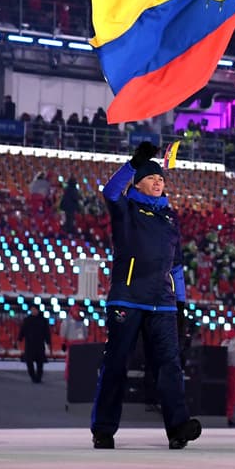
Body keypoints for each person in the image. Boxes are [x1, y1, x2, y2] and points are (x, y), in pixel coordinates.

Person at [90, 142, 200, 451]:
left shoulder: (169, 219)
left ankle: (178, 426)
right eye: (151, 178)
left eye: (161, 179)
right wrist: (133, 163)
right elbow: (110, 191)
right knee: (116, 364)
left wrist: (181, 304)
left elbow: (176, 266)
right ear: (138, 183)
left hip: (163, 303)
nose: (158, 183)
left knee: (170, 365)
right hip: (127, 298)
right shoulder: (125, 208)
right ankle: (104, 429)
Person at [19, 308, 52, 383]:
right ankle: (33, 376)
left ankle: (39, 377)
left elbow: (47, 332)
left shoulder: (43, 320)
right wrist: (20, 338)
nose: (33, 311)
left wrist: (48, 342)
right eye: (32, 309)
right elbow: (23, 330)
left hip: (40, 344)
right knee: (29, 361)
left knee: (40, 362)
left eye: (35, 309)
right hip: (29, 344)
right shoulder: (27, 320)